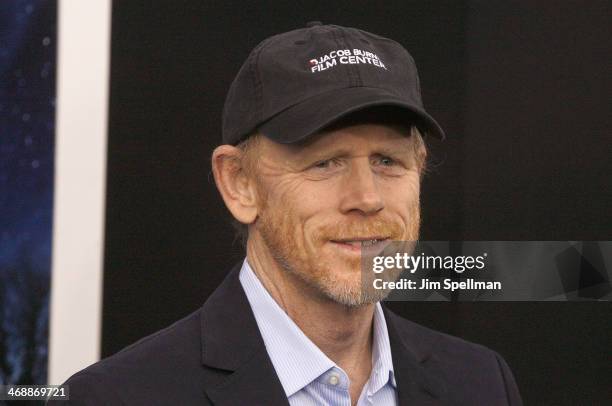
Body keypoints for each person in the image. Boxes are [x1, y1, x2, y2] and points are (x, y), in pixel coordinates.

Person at [51, 22, 522, 405]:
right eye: (326, 162)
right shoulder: (116, 397)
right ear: (239, 183)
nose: (367, 197)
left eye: (387, 161)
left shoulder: (479, 383)